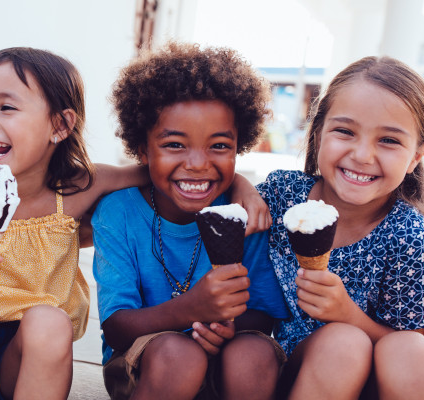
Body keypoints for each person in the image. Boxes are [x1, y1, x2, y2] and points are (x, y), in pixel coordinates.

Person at [0, 47, 268, 400]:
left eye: (6, 107)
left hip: (30, 355)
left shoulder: (80, 188)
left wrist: (243, 186)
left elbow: (172, 170)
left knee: (50, 322)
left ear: (60, 125)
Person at [257, 56, 424, 399]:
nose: (362, 155)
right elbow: (220, 201)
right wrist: (240, 191)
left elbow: (414, 349)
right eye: (345, 131)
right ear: (318, 133)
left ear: (417, 155)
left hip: (382, 385)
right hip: (305, 374)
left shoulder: (410, 236)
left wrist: (347, 314)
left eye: (388, 140)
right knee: (343, 345)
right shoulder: (283, 196)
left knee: (402, 348)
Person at [92, 42, 290, 400]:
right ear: (142, 149)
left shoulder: (248, 215)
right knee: (178, 355)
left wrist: (225, 326)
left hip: (226, 357)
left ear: (238, 147)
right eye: (175, 145)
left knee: (254, 352)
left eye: (218, 146)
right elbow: (118, 329)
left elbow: (263, 316)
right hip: (148, 363)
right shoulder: (118, 212)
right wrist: (191, 309)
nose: (198, 163)